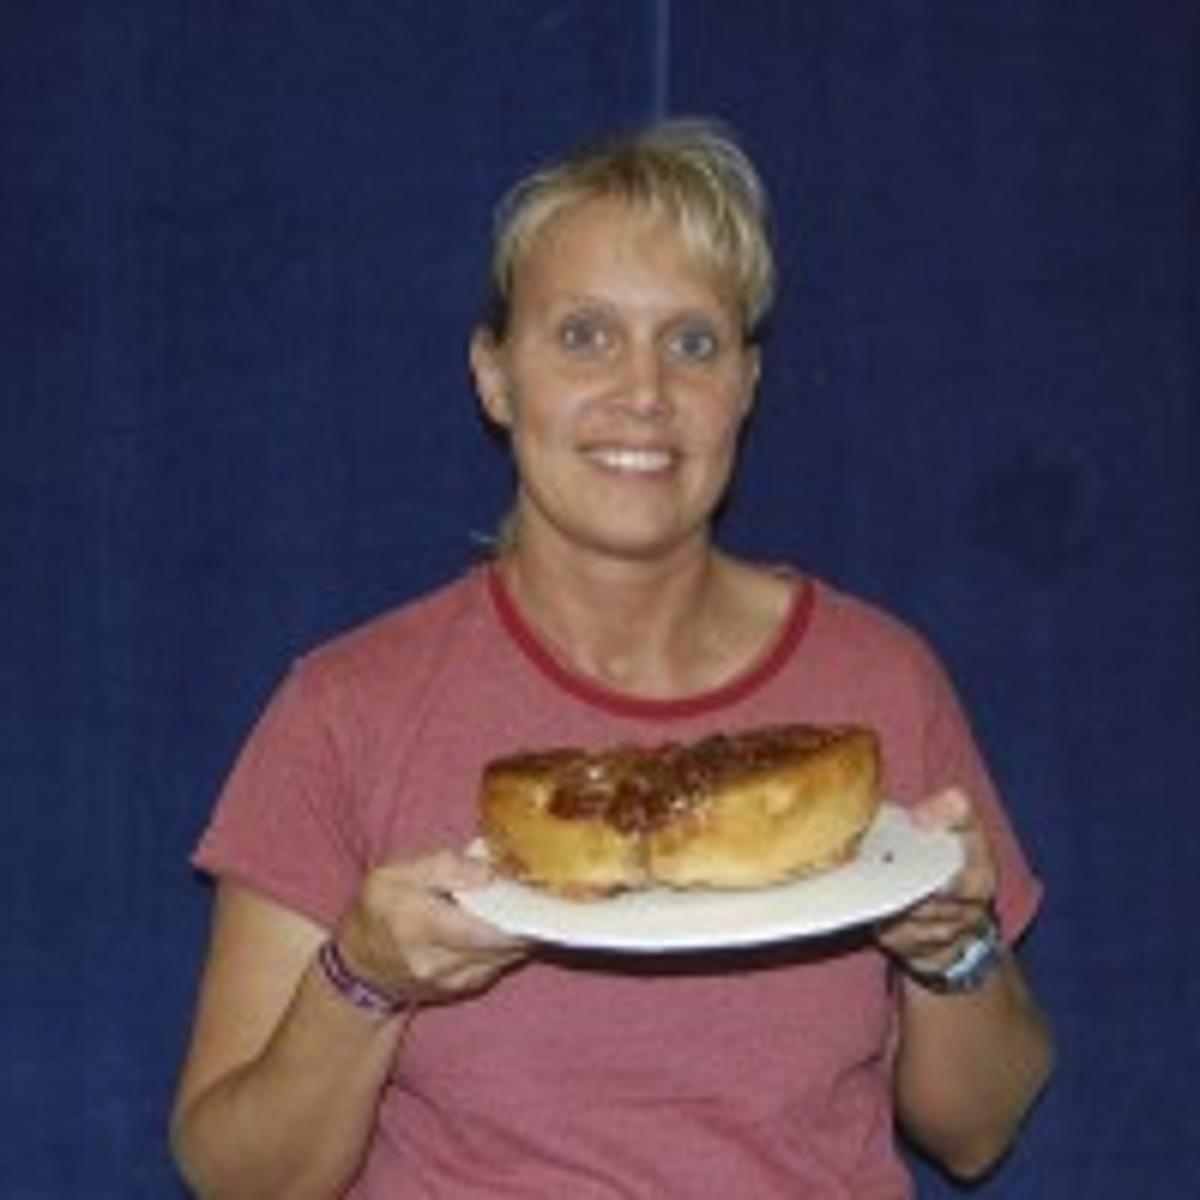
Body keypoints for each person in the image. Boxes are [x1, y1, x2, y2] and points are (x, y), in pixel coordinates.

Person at [171, 118, 1053, 1198]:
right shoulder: (346, 707)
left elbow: (979, 1133)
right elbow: (236, 1179)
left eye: (692, 343)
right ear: (496, 377)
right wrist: (364, 981)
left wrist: (955, 947)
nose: (645, 393)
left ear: (747, 384)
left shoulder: (879, 686)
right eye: (585, 336)